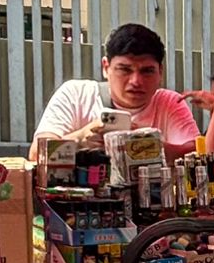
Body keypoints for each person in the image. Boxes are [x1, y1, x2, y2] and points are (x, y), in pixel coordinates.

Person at [29, 23, 201, 160]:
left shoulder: (169, 102)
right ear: (106, 67)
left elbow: (197, 153)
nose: (136, 81)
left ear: (161, 72)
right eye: (125, 70)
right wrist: (80, 139)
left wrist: (149, 147)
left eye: (147, 71)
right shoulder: (75, 95)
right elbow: (37, 154)